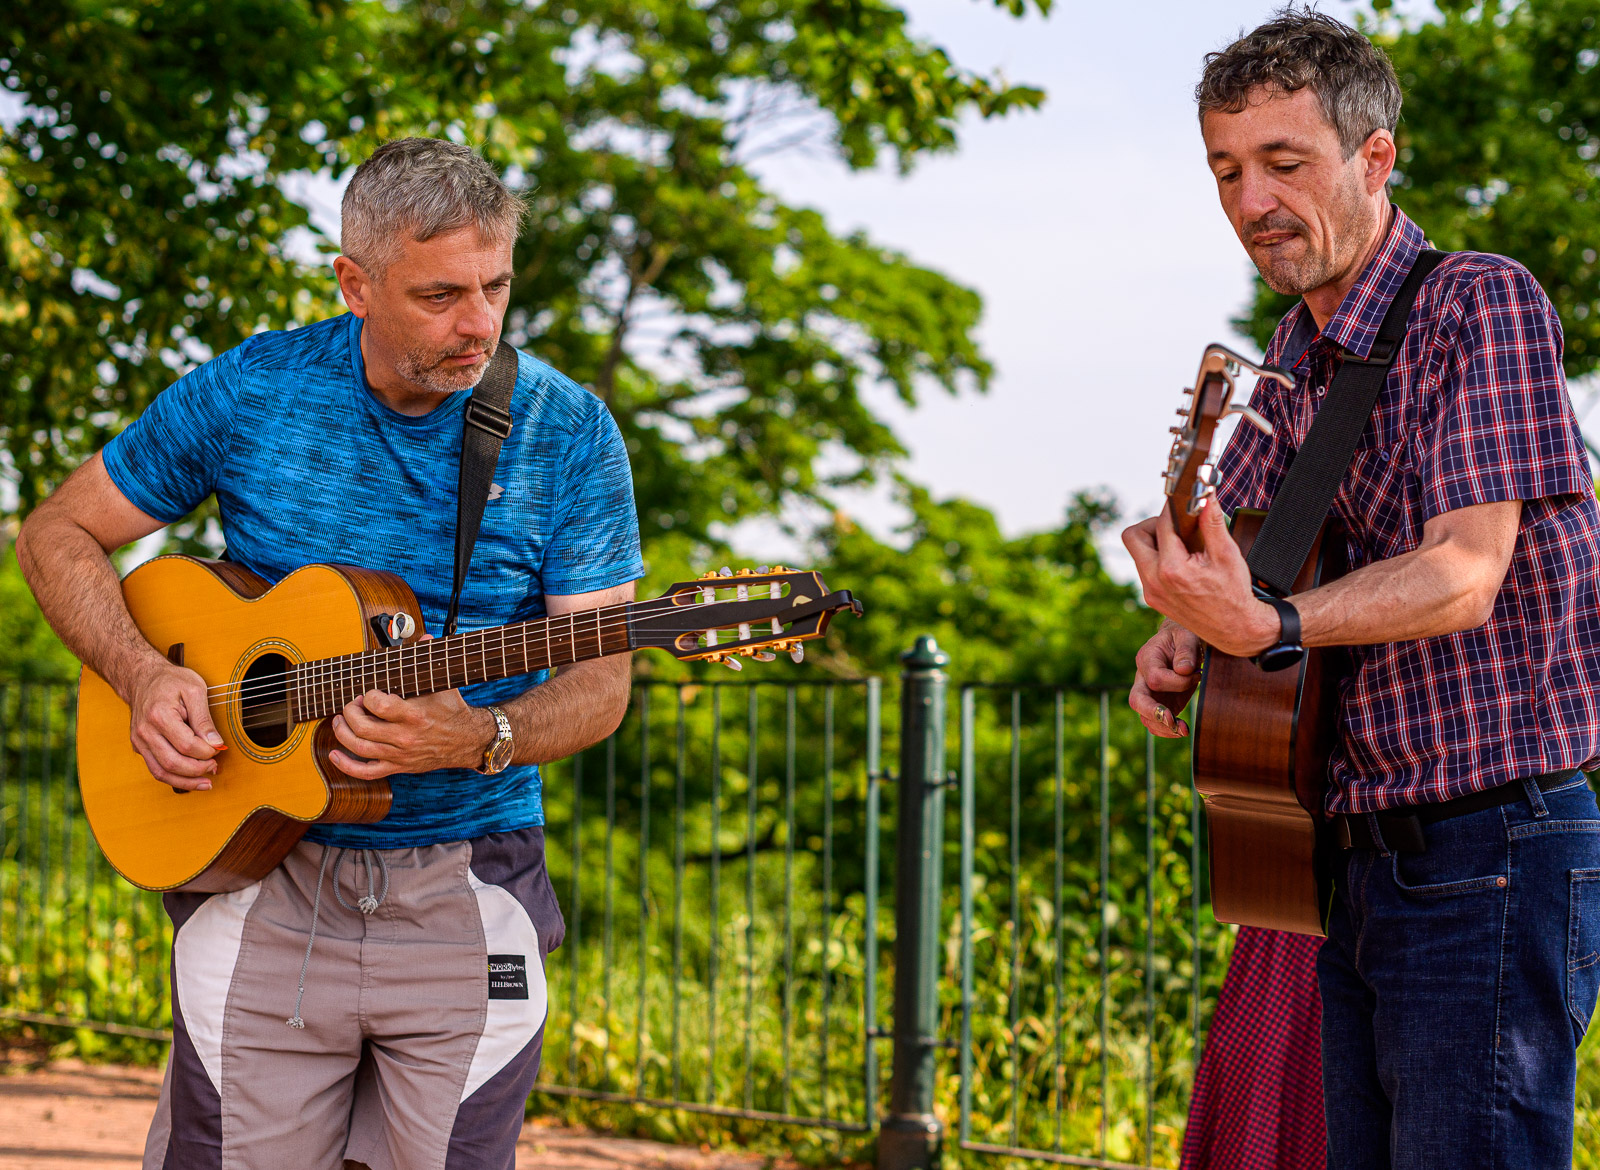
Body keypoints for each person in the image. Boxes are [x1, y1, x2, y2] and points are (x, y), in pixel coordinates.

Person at [16, 137, 644, 1170]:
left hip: (470, 885)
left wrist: (481, 733)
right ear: (354, 283)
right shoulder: (253, 389)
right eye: (441, 293)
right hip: (262, 878)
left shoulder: (566, 432)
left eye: (495, 285)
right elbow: (56, 534)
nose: (479, 322)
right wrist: (142, 673)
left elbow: (602, 679)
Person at [1123, 10, 1600, 1169]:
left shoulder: (1474, 303)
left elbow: (1462, 571)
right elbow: (1234, 567)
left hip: (1491, 841)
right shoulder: (1290, 354)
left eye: (1285, 165)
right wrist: (1183, 638)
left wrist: (1270, 622)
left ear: (1373, 159)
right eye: (1227, 172)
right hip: (1343, 855)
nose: (1252, 204)